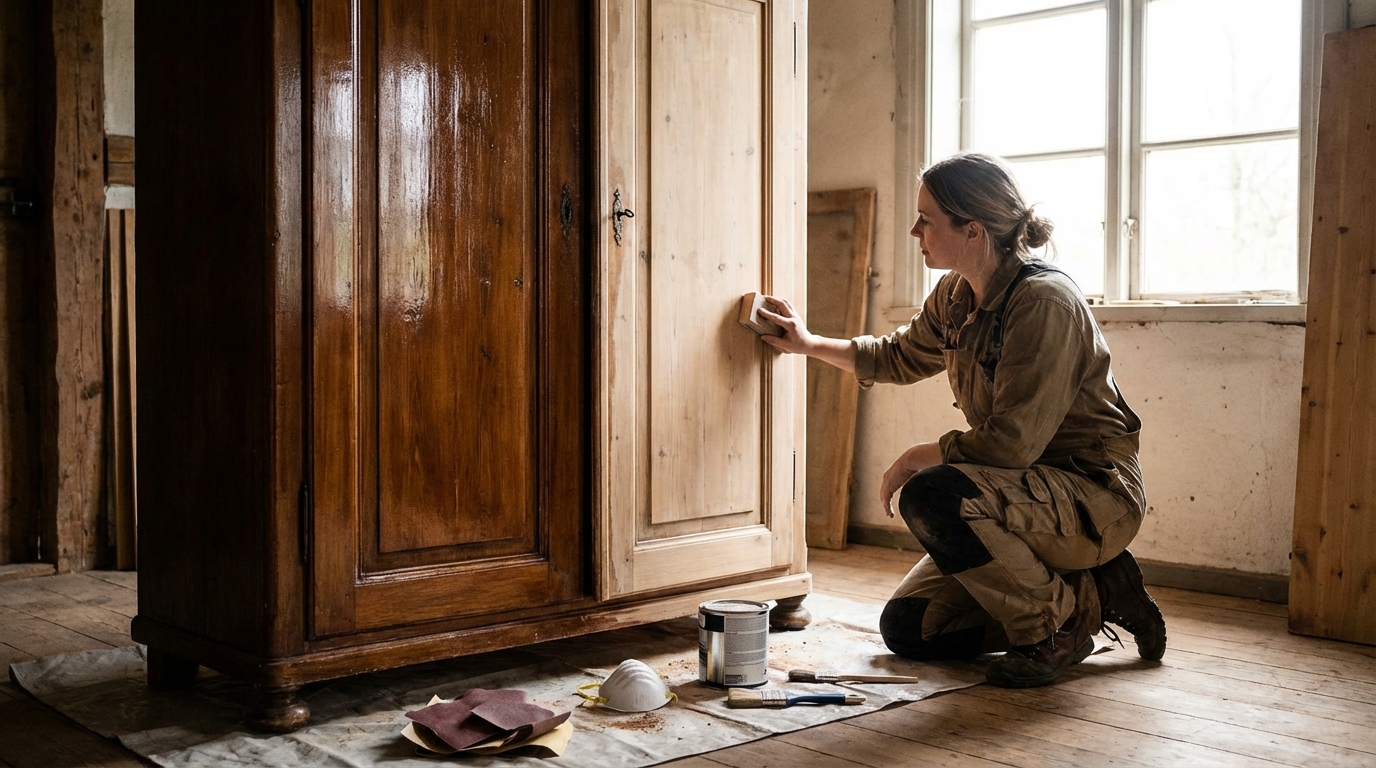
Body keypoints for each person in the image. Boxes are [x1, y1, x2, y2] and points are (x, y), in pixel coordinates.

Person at [758, 152, 1166, 688]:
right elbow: (897, 356)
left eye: (926, 219)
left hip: (1091, 495)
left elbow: (1011, 444)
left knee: (933, 494)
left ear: (972, 230)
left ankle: (1055, 629)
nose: (914, 231)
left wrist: (918, 457)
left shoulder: (1044, 303)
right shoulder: (955, 294)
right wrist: (807, 343)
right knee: (913, 631)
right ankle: (1095, 592)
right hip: (1021, 490)